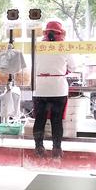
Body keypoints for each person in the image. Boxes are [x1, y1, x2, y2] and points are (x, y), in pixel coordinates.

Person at [33, 21, 76, 158]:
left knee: (40, 120)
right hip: (58, 89)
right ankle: (57, 149)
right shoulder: (65, 47)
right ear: (61, 33)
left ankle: (39, 148)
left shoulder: (37, 46)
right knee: (56, 121)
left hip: (40, 88)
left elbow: (32, 66)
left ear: (45, 32)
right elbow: (73, 67)